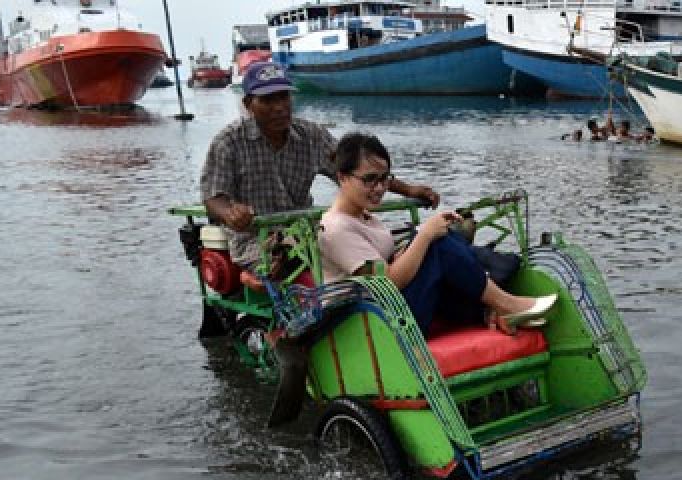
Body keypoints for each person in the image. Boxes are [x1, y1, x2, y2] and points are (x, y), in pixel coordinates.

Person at [199, 61, 439, 270]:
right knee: (314, 262)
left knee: (374, 245)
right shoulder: (229, 141)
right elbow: (213, 197)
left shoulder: (310, 135)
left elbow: (357, 169)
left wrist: (409, 190)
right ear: (249, 104)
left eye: (284, 96)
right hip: (257, 241)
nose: (280, 106)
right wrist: (230, 213)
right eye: (269, 100)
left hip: (308, 230)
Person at [318, 133, 556, 335]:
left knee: (442, 238)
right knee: (436, 243)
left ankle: (490, 311)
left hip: (389, 309)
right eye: (369, 180)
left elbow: (383, 264)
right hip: (375, 324)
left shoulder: (364, 216)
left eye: (384, 179)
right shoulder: (336, 228)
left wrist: (412, 245)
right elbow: (388, 282)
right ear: (342, 177)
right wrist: (424, 237)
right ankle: (507, 304)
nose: (379, 188)